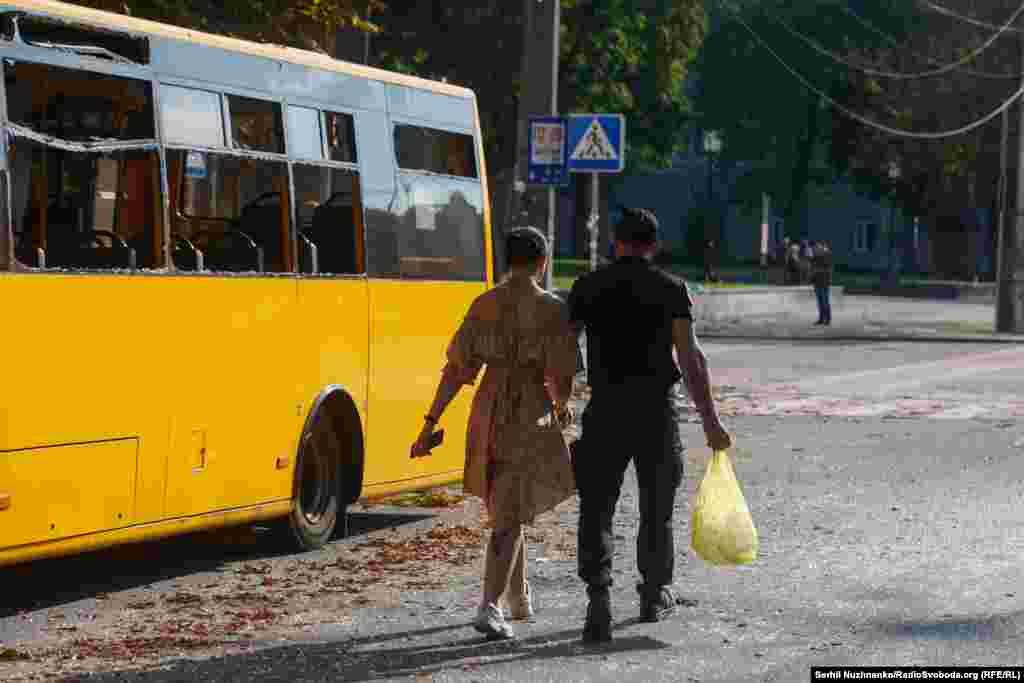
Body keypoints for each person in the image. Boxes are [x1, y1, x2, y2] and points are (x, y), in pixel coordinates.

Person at [567, 208, 733, 644]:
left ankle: (598, 597)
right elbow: (690, 360)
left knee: (597, 506)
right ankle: (653, 593)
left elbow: (562, 350)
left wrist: (556, 402)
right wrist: (711, 420)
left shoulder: (587, 287)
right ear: (653, 245)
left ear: (615, 241)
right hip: (655, 414)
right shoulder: (671, 289)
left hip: (604, 411)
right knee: (655, 509)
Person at [411, 227, 578, 641]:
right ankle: (488, 607)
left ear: (506, 260)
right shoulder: (551, 309)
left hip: (485, 410)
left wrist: (431, 420)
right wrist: (560, 405)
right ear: (543, 261)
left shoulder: (483, 304)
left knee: (509, 506)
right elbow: (562, 375)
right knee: (509, 513)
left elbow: (456, 369)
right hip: (527, 410)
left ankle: (517, 596)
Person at [812, 240, 833, 326]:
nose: (816, 248)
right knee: (820, 301)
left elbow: (828, 269)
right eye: (816, 247)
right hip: (817, 281)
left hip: (824, 281)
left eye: (818, 246)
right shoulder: (816, 256)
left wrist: (817, 271)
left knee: (825, 301)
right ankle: (821, 318)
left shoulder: (827, 255)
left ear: (823, 246)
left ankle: (827, 319)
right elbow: (813, 268)